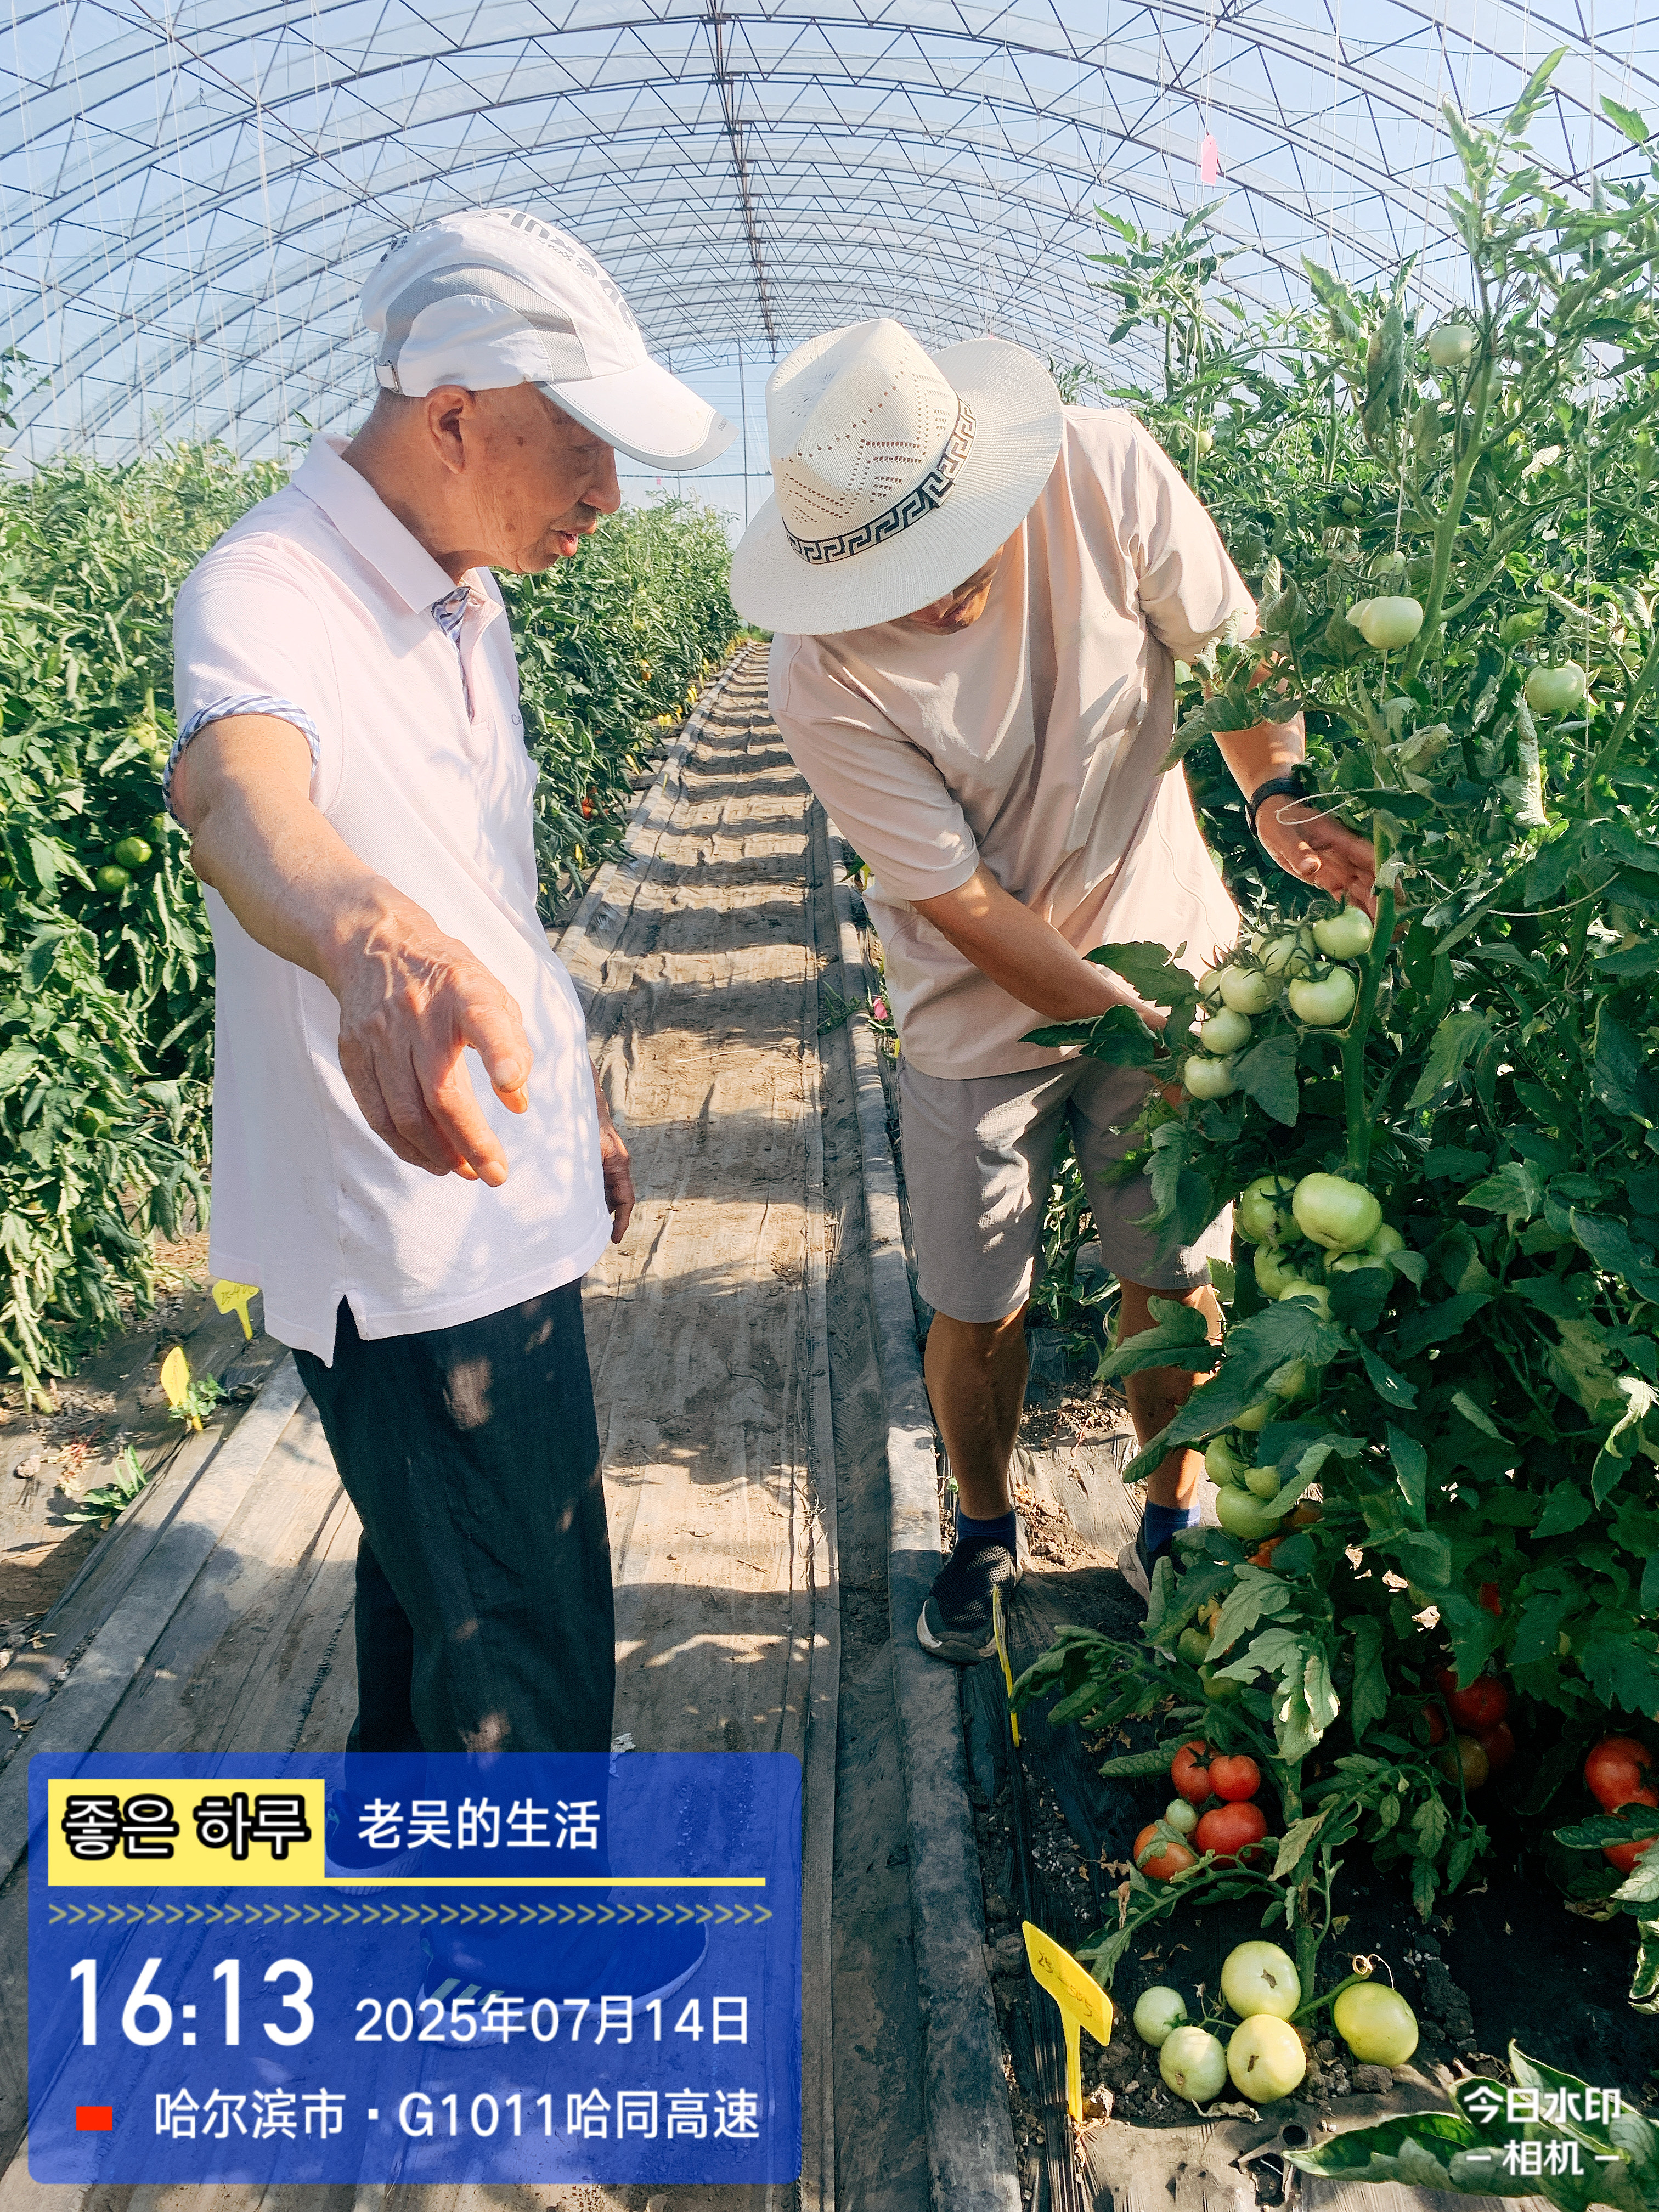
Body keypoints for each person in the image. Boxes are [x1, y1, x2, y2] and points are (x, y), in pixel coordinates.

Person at [168, 208, 734, 1753]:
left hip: (495, 1188)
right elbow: (238, 798)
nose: (611, 497)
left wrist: (579, 1113)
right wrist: (373, 942)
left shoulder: (460, 593)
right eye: (588, 452)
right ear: (456, 417)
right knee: (525, 1645)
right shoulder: (271, 588)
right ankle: (516, 1971)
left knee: (438, 1602)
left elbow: (483, 891)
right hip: (415, 1235)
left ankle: (407, 1909)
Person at [731, 318, 1378, 1664]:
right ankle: (980, 1525)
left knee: (1174, 1272)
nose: (931, 597)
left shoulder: (1105, 471)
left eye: (948, 552)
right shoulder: (820, 673)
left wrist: (1272, 794)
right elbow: (961, 903)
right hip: (977, 1005)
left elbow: (1231, 651)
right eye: (891, 578)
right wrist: (1125, 1014)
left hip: (1169, 944)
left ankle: (1168, 1523)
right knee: (979, 1301)